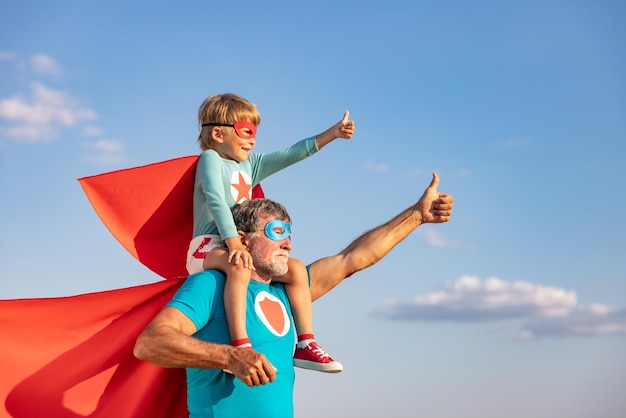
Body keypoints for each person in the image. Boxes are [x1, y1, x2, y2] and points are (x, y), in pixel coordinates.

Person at [134, 173, 454, 417]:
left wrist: (416, 216)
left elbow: (352, 259)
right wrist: (229, 356)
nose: (287, 243)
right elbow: (150, 343)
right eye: (276, 233)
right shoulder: (211, 285)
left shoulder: (287, 296)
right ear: (241, 241)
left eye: (289, 234)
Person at [187, 93, 354, 373]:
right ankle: (240, 345)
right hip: (207, 246)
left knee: (297, 269)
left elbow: (291, 154)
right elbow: (215, 199)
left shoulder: (251, 164)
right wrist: (233, 244)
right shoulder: (210, 159)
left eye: (255, 133)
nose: (253, 140)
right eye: (246, 131)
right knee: (239, 268)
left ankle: (305, 344)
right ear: (217, 133)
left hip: (240, 244)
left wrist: (332, 134)